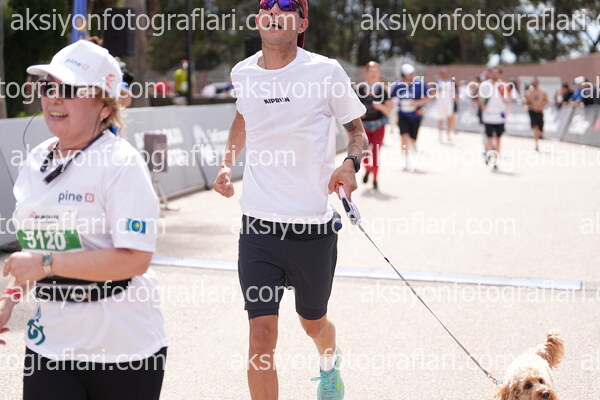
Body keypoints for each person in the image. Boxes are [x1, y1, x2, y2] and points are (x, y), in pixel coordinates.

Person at [213, 0, 368, 398]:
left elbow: (357, 132)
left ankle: (329, 365)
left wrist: (349, 164)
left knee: (313, 324)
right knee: (261, 335)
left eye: (287, 6)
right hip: (259, 229)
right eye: (267, 5)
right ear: (258, 19)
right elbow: (243, 116)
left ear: (301, 23)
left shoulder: (325, 71)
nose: (275, 11)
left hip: (312, 230)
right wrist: (227, 164)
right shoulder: (243, 73)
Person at [0, 40, 168, 399]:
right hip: (50, 347)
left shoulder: (121, 163)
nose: (54, 99)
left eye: (70, 90)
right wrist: (9, 299)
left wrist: (45, 264)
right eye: (48, 88)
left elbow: (135, 259)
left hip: (124, 351)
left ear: (105, 106)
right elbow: (37, 250)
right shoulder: (35, 161)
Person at [356, 61, 393, 190]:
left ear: (379, 73)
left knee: (376, 153)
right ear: (365, 73)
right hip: (364, 127)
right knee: (365, 154)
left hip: (378, 126)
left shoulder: (383, 90)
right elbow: (351, 108)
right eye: (370, 71)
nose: (373, 73)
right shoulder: (359, 89)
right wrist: (359, 113)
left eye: (376, 71)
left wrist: (380, 107)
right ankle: (368, 169)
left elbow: (388, 111)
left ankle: (375, 179)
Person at [391, 63, 431, 171]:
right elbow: (392, 98)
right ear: (403, 74)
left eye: (412, 73)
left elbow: (429, 96)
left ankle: (411, 149)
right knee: (404, 136)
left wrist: (418, 103)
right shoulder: (398, 85)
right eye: (409, 74)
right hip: (403, 115)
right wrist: (395, 104)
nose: (411, 75)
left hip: (416, 115)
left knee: (413, 140)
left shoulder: (420, 84)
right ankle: (405, 160)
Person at [478, 66, 516, 168]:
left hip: (499, 116)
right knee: (489, 139)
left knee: (498, 139)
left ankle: (495, 159)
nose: (494, 74)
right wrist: (483, 105)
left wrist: (506, 100)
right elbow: (481, 98)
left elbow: (510, 99)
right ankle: (489, 154)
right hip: (488, 116)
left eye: (496, 73)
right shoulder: (485, 85)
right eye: (492, 72)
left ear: (500, 74)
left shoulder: (503, 86)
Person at [525, 78, 548, 151]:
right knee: (535, 128)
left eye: (535, 82)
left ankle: (538, 137)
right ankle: (536, 144)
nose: (534, 84)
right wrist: (527, 107)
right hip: (532, 112)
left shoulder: (542, 92)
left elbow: (546, 100)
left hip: (540, 112)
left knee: (540, 129)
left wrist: (542, 105)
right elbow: (526, 102)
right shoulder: (529, 92)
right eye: (533, 82)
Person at [435, 69, 457, 143]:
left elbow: (453, 93)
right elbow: (433, 92)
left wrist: (455, 99)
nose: (444, 75)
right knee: (441, 119)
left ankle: (448, 135)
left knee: (449, 119)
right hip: (440, 104)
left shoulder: (451, 82)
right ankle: (440, 135)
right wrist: (439, 89)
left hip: (449, 103)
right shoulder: (437, 82)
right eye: (443, 73)